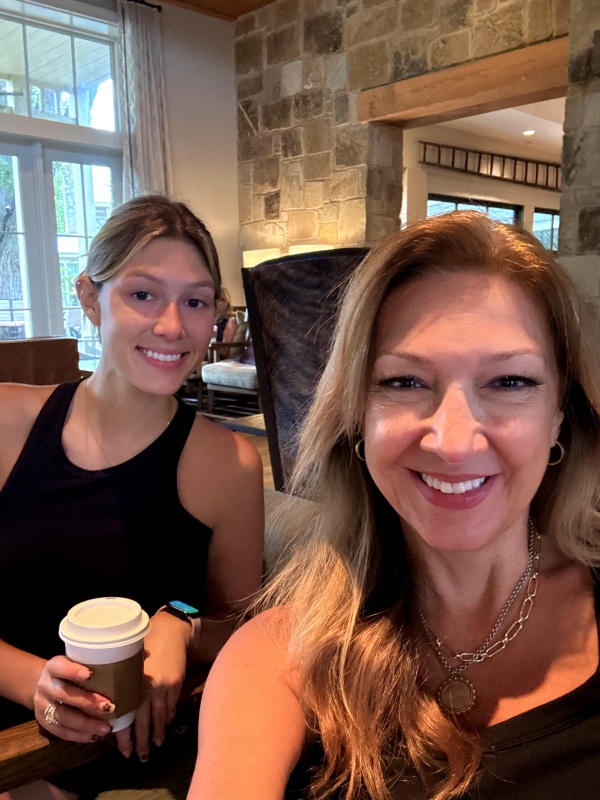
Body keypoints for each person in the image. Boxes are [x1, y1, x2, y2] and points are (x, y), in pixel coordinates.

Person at [188, 210, 600, 800]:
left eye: (509, 382)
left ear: (560, 412)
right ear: (356, 415)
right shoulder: (279, 658)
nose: (454, 442)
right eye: (404, 382)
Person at [0, 193, 264, 798]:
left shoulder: (228, 466)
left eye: (195, 301)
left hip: (134, 763)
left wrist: (182, 621)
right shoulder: (8, 423)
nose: (172, 326)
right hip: (14, 750)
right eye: (143, 294)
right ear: (91, 298)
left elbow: (240, 626)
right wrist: (33, 682)